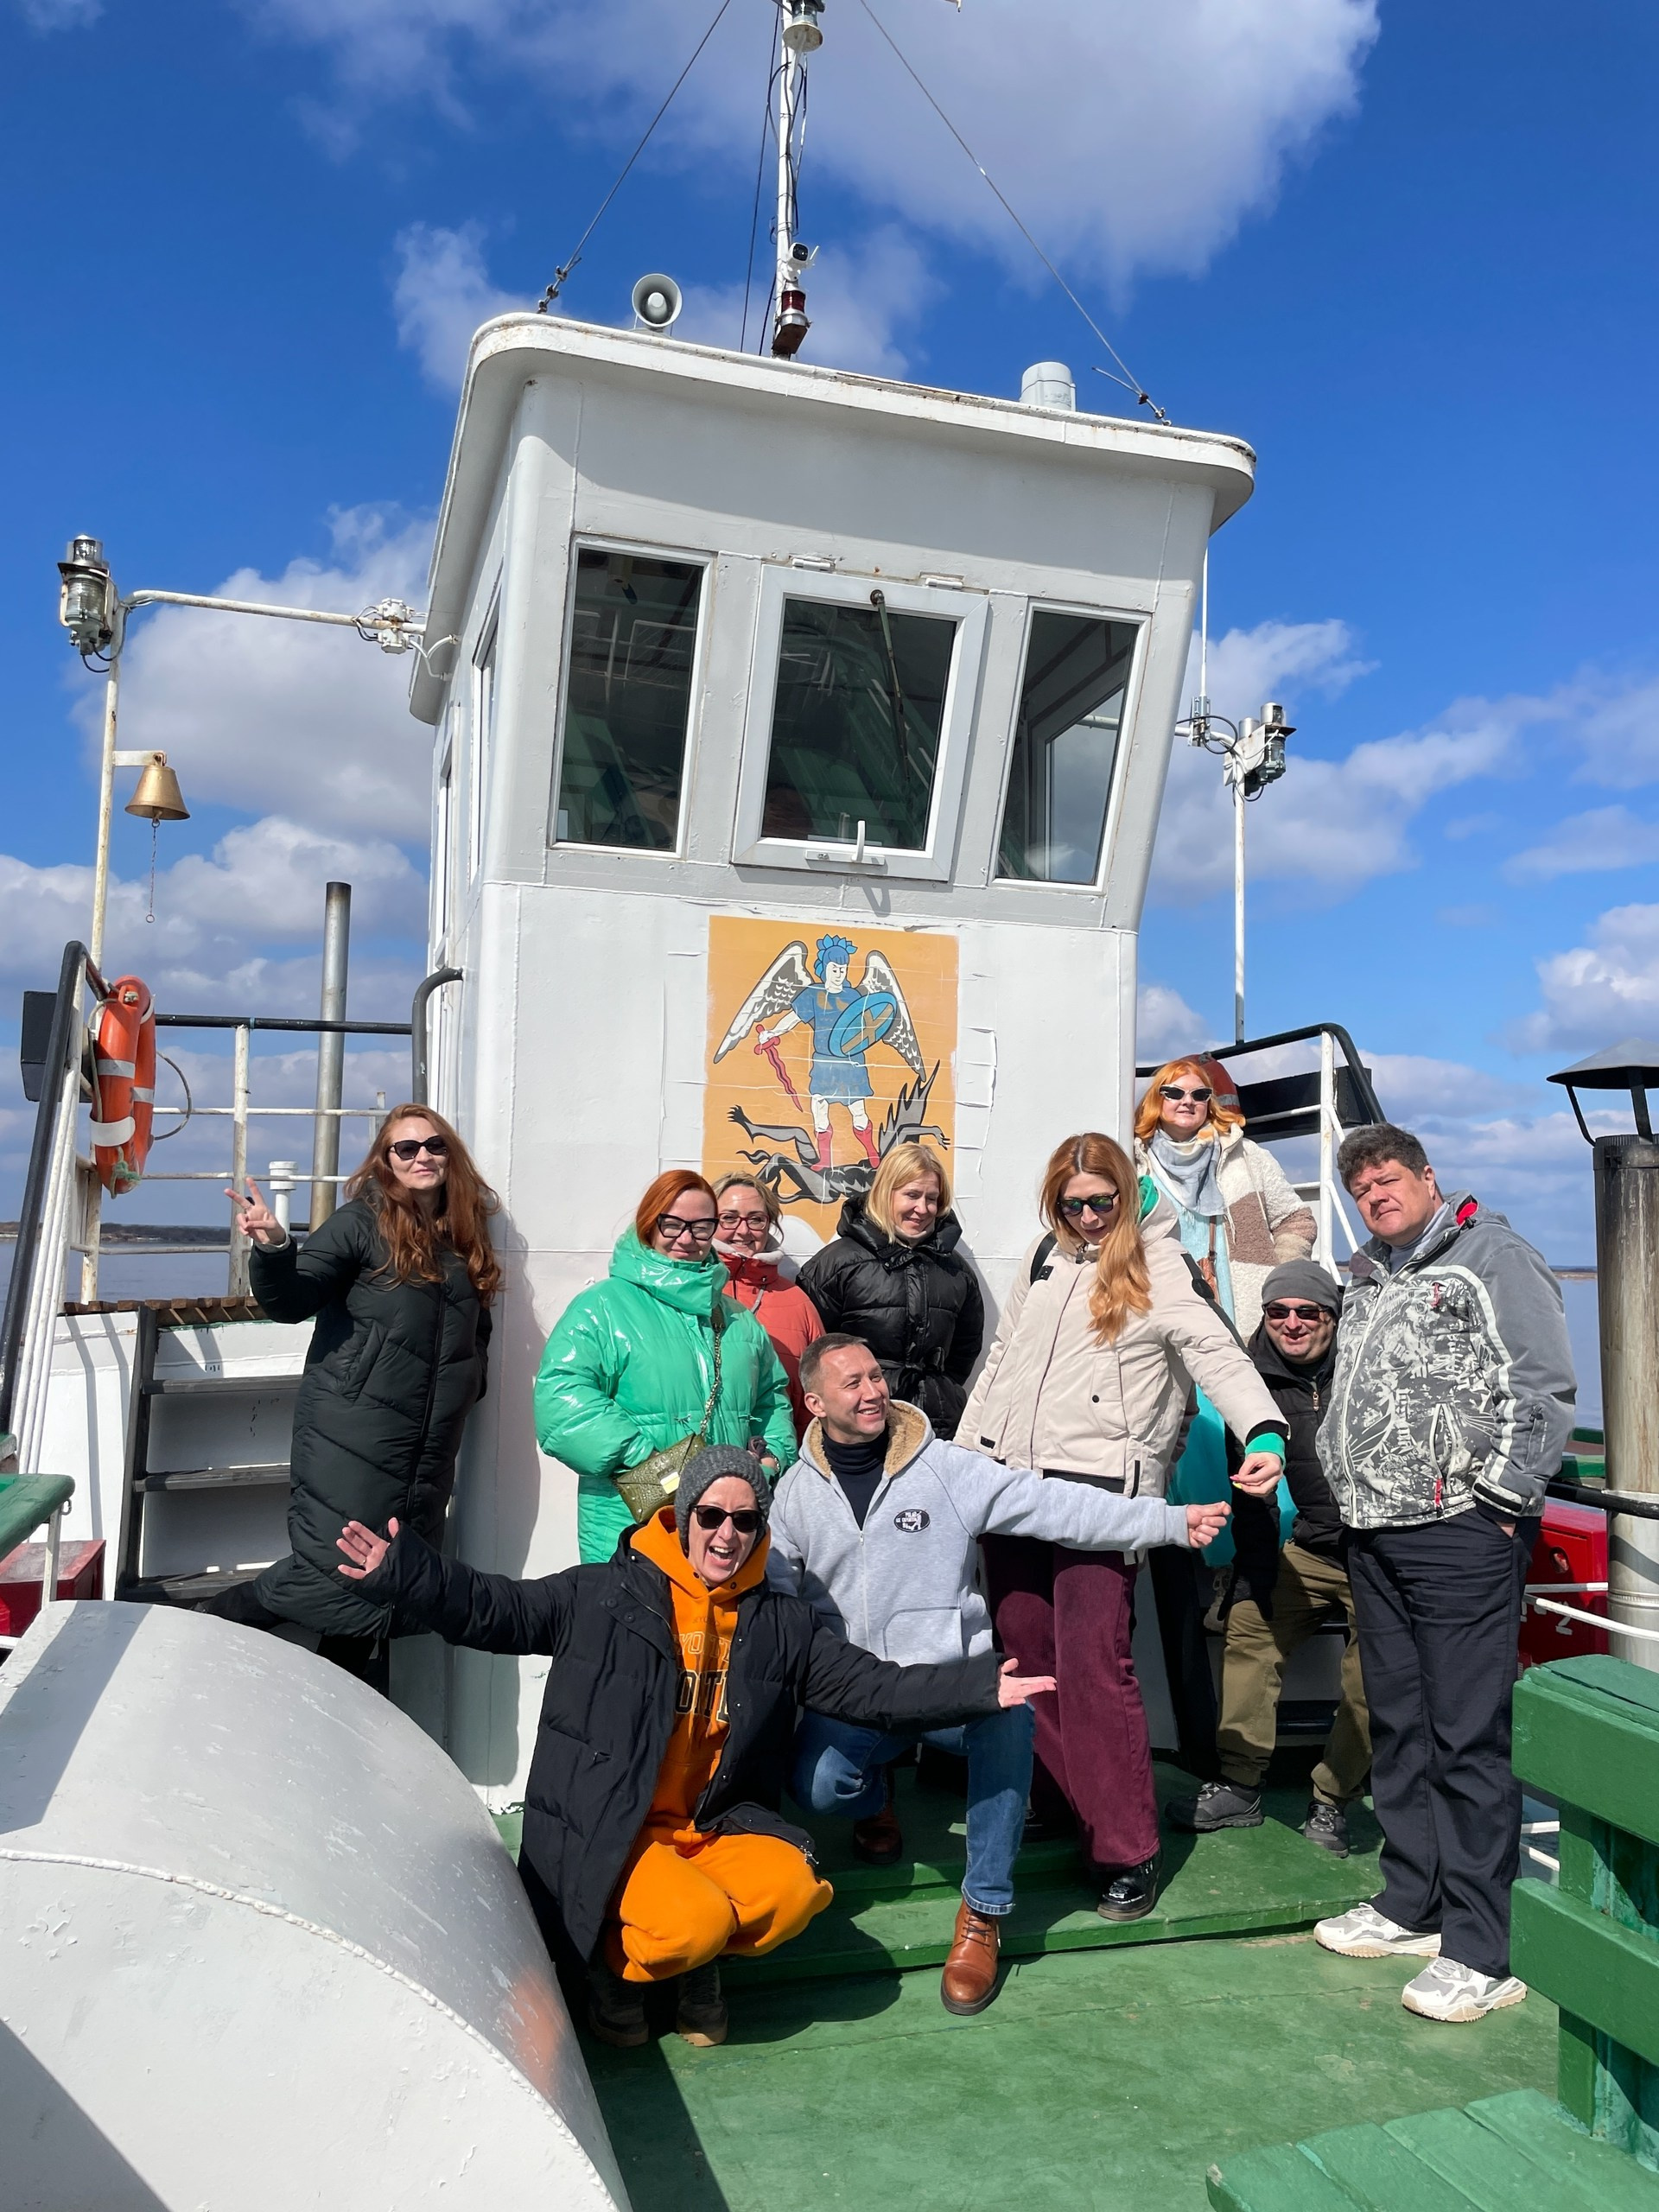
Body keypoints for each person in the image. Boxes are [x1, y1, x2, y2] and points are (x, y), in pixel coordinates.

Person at [334, 1446, 1057, 2050]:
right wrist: (403, 1573)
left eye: (745, 1520)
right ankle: (620, 1966)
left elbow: (874, 1686)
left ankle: (689, 1959)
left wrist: (978, 1685)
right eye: (711, 1516)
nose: (726, 1535)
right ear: (681, 1519)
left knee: (794, 1891)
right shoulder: (602, 1595)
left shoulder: (781, 1623)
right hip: (619, 1828)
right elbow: (495, 1609)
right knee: (693, 1921)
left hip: (714, 1825)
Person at [774, 1334, 1230, 2014]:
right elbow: (779, 1601)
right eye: (853, 1384)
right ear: (814, 1403)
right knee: (817, 1786)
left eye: (876, 1377)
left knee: (1011, 1717)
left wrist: (1166, 1522)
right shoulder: (792, 1498)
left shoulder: (947, 1470)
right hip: (865, 1694)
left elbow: (1058, 1506)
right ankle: (875, 1799)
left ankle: (983, 1911)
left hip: (952, 1688)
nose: (873, 1392)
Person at [962, 1133, 1287, 1920]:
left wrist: (1264, 1431)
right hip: (1014, 1487)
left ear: (1126, 1193)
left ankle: (1124, 1850)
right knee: (1026, 1658)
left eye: (1100, 1202)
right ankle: (1059, 1802)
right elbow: (1002, 1362)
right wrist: (964, 1465)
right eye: (1070, 1204)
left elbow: (1216, 1354)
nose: (1086, 1217)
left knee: (1094, 1669)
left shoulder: (1157, 1262)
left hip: (1103, 1489)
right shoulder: (1046, 1256)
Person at [1311, 1124, 1575, 2024]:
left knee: (1466, 1736)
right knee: (1401, 1724)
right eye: (1361, 1190)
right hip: (1375, 1532)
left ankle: (1481, 1947)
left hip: (1459, 1532)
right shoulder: (1370, 1274)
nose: (1375, 1198)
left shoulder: (1490, 1257)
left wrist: (1499, 1501)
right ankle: (1411, 1901)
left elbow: (1541, 1383)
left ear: (1428, 1177)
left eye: (1388, 1180)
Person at [215, 1105, 498, 1689]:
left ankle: (336, 1708)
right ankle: (202, 1627)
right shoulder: (360, 1223)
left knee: (386, 1573)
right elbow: (292, 1301)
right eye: (406, 1148)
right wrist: (275, 1246)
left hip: (426, 1444)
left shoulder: (461, 1235)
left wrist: (470, 1384)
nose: (422, 1157)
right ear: (385, 1161)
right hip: (352, 1432)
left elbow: (476, 1329)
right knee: (335, 1567)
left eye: (435, 1146)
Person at [1166, 1260, 1371, 1855]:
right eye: (1278, 1311)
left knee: (1374, 1674)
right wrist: (1253, 1577)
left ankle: (1332, 1799)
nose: (1292, 1323)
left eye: (1308, 1311)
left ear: (1333, 1315)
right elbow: (1250, 1497)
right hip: (1311, 1547)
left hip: (1375, 1551)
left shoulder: (1365, 1366)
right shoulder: (1249, 1380)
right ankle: (1239, 1784)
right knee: (1250, 1630)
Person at [536, 1170, 799, 1564]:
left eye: (701, 1226)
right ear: (649, 1224)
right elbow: (561, 1399)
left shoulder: (739, 1320)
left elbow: (771, 1399)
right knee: (635, 1604)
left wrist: (770, 1460)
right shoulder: (603, 1307)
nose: (687, 1238)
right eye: (672, 1224)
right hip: (630, 1523)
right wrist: (649, 1459)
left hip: (723, 1527)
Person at [797, 1141, 984, 1440]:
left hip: (935, 1425)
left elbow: (965, 1348)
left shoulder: (955, 1270)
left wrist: (940, 1391)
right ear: (886, 1193)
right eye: (912, 1195)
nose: (922, 1209)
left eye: (932, 1198)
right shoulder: (837, 1263)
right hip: (859, 1428)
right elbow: (810, 1350)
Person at [1134, 1058, 1315, 1339]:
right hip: (1160, 1303)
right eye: (1174, 1093)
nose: (1188, 1101)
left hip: (1239, 1314)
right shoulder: (1136, 1163)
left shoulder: (1247, 1156)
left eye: (1199, 1094)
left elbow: (1296, 1219)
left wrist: (1277, 1278)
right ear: (1157, 1099)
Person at [712, 1171, 824, 1434]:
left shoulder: (797, 1302)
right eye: (729, 1218)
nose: (743, 1230)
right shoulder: (690, 1290)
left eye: (756, 1219)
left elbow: (817, 1397)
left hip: (777, 1453)